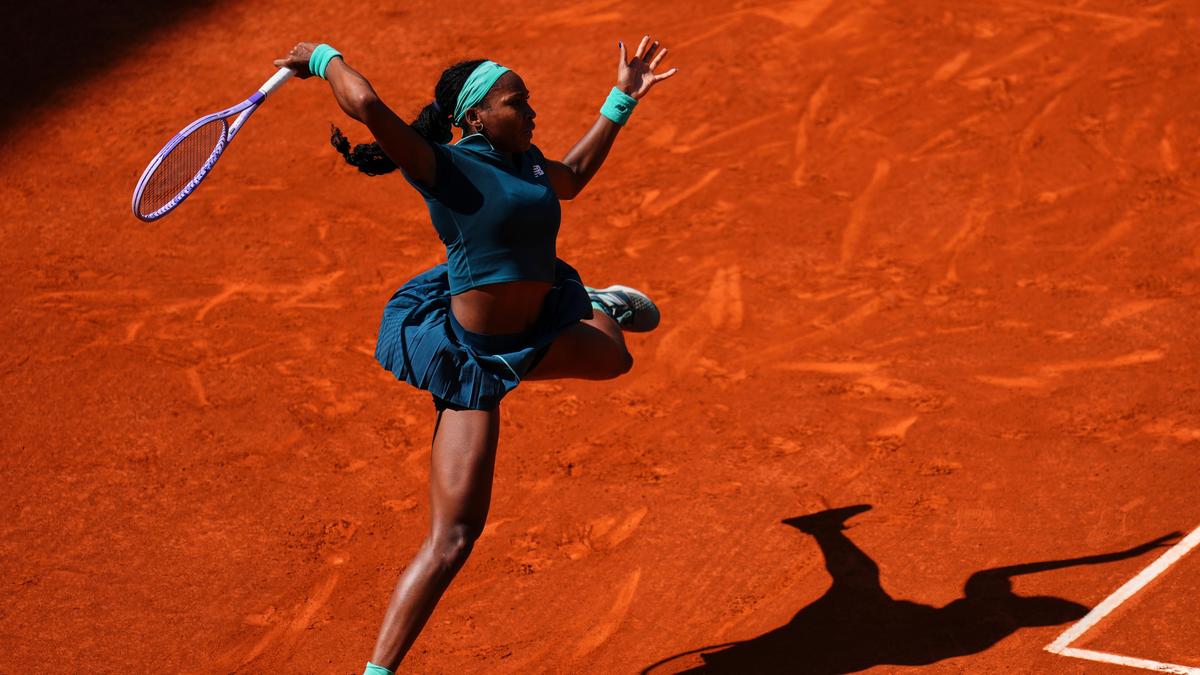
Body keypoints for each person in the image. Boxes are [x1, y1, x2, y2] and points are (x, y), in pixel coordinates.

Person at [273, 35, 677, 674]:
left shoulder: (531, 162)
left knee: (615, 358)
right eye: (518, 103)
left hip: (535, 329)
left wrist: (620, 99)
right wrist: (325, 59)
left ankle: (582, 299)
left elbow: (570, 179)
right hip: (474, 361)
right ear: (473, 119)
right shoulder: (445, 166)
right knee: (452, 540)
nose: (532, 112)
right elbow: (368, 107)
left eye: (528, 102)